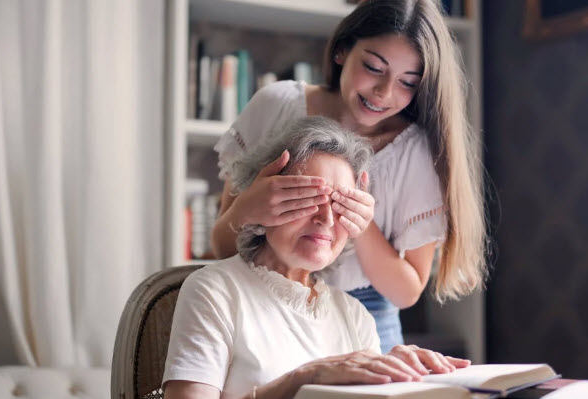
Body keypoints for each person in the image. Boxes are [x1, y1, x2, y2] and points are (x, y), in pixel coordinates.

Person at [211, 0, 487, 352]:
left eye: (407, 82)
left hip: (368, 317)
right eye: (373, 67)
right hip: (264, 303)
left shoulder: (415, 154)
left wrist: (361, 225)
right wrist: (247, 210)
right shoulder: (276, 105)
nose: (384, 92)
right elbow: (221, 248)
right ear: (342, 50)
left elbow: (406, 292)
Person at [163, 117, 470, 399]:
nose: (326, 218)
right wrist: (303, 379)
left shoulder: (355, 316)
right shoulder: (214, 292)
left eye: (341, 205)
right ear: (266, 200)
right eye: (308, 198)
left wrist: (408, 379)